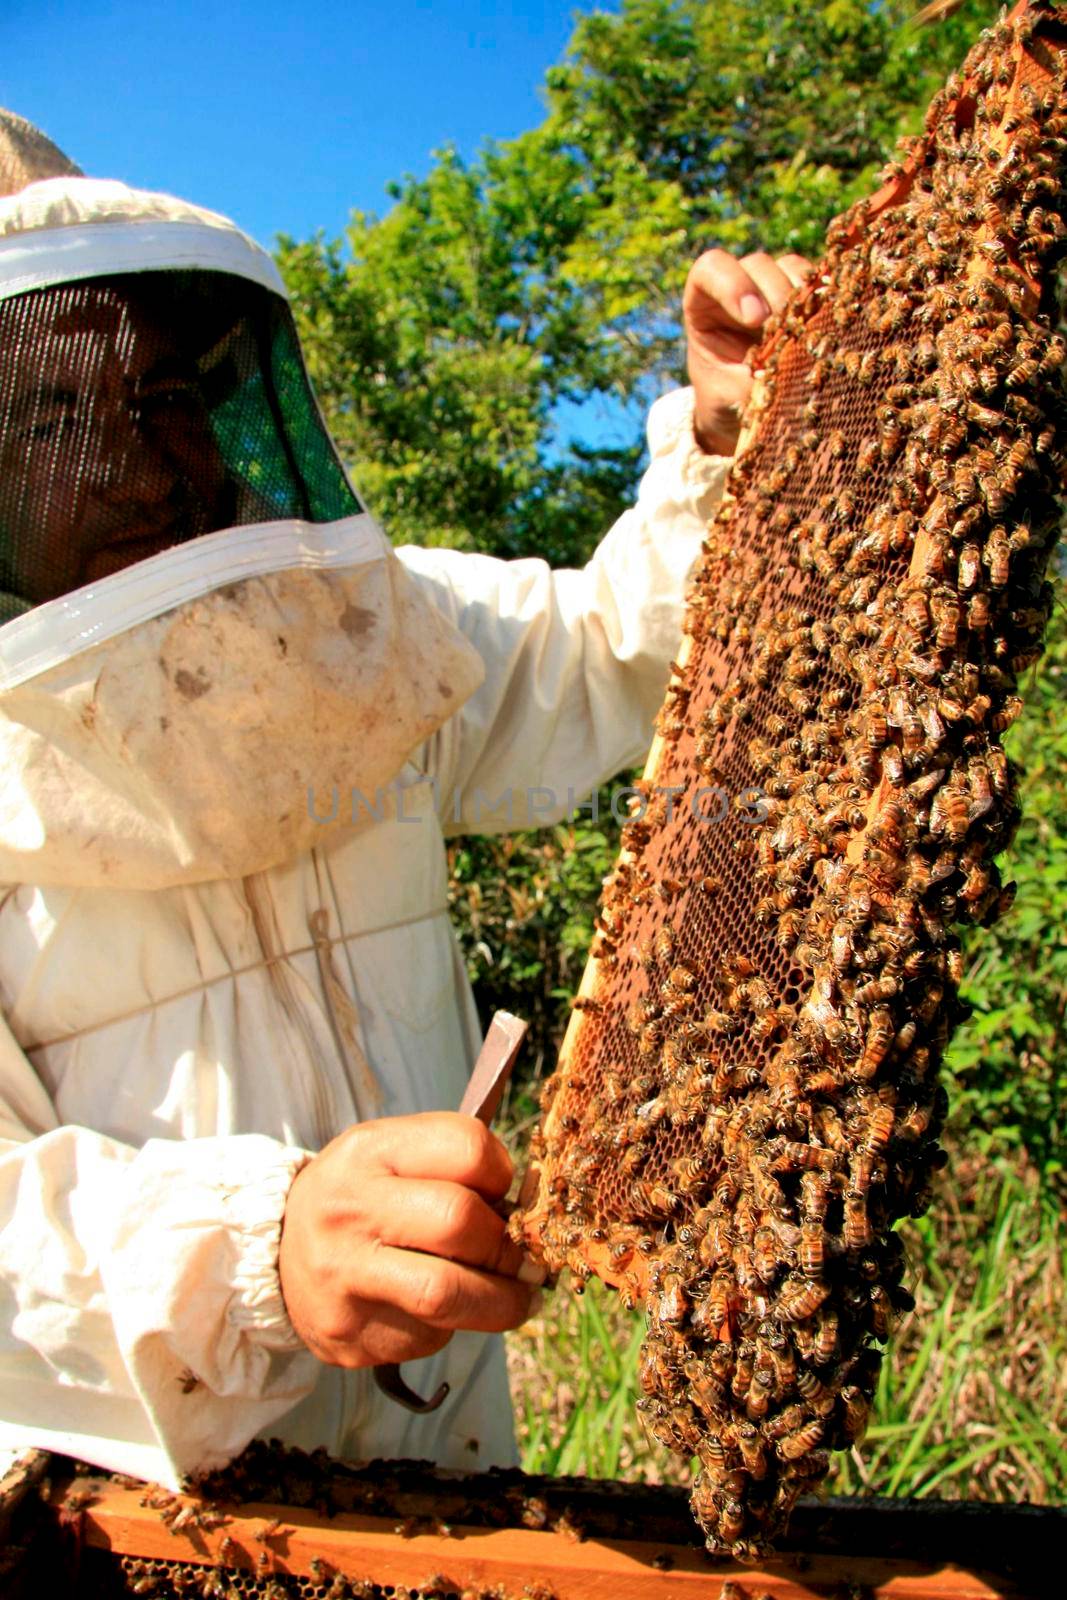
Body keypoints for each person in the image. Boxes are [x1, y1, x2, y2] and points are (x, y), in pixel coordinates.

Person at [0, 154, 809, 1486]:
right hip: (141, 1522)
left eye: (155, 394)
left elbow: (619, 651)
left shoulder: (364, 634)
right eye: (45, 423)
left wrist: (726, 438)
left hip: (451, 1456)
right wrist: (255, 1252)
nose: (128, 461)